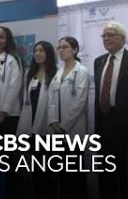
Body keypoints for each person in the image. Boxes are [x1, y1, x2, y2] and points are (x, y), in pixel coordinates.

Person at [94, 21, 128, 199]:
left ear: (122, 38)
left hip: (124, 122)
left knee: (125, 171)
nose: (106, 38)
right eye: (104, 35)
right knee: (104, 171)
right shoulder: (99, 61)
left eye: (110, 35)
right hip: (102, 121)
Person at [47, 36, 89, 199]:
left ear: (75, 50)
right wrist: (53, 122)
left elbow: (79, 102)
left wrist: (64, 126)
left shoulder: (81, 71)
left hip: (73, 130)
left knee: (75, 174)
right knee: (62, 174)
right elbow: (51, 100)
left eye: (65, 47)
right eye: (59, 47)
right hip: (57, 131)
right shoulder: (58, 73)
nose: (61, 50)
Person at [16, 41, 58, 199]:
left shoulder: (55, 74)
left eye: (41, 51)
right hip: (31, 130)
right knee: (34, 171)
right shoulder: (30, 74)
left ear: (48, 53)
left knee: (48, 172)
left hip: (47, 131)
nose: (37, 54)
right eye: (35, 51)